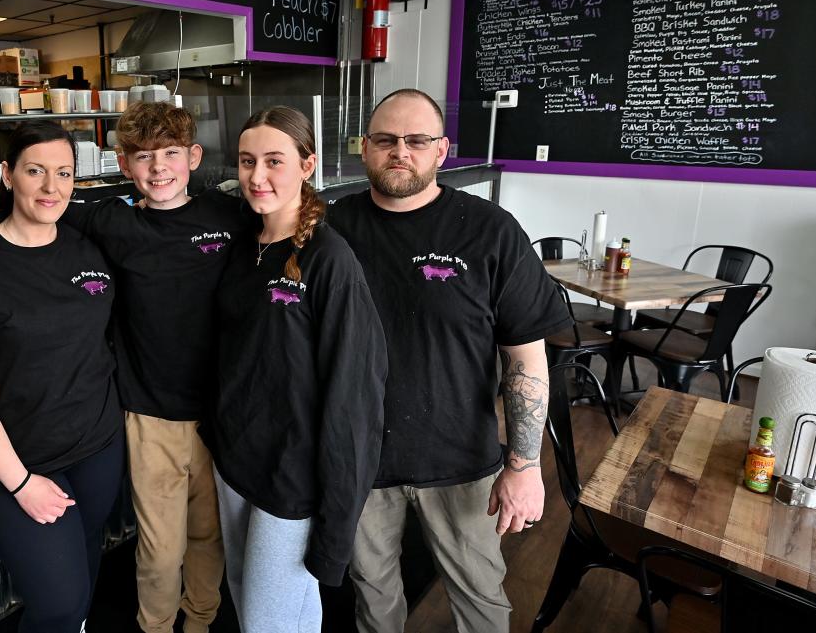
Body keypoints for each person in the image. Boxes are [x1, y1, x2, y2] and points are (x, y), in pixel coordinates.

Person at [0, 102, 237, 633]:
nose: (159, 168)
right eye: (144, 157)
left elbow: (286, 220)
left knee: (205, 538)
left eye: (171, 153)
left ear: (193, 157)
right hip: (145, 418)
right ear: (123, 165)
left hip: (219, 415)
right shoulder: (106, 220)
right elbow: (23, 209)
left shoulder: (228, 214)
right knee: (154, 552)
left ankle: (201, 621)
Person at [332, 90, 569, 633]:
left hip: (461, 459)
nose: (400, 152)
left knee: (481, 600)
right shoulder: (332, 228)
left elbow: (526, 359)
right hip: (361, 457)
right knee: (373, 601)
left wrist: (526, 464)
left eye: (416, 141)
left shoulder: (490, 230)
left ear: (441, 150)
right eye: (386, 140)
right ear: (365, 149)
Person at [0, 120, 124, 633]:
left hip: (98, 450)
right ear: (7, 173)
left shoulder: (89, 240)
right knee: (58, 604)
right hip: (17, 465)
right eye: (35, 171)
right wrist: (20, 483)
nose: (51, 187)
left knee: (81, 587)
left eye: (64, 173)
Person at [208, 106, 388, 633]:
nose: (257, 177)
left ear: (307, 165)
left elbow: (354, 398)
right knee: (246, 604)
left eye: (274, 161)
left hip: (293, 477)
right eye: (246, 162)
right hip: (236, 462)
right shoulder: (244, 244)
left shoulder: (330, 261)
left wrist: (335, 529)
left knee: (272, 623)